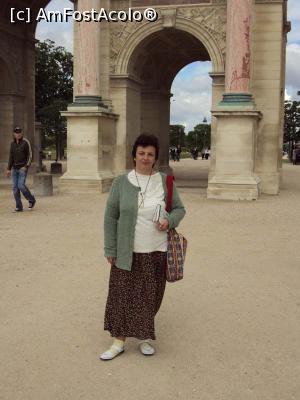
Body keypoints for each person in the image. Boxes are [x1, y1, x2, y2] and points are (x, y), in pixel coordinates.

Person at [100, 133, 186, 361]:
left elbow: (179, 209)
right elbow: (110, 217)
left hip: (157, 250)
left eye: (150, 154)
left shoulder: (164, 181)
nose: (145, 158)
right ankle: (118, 340)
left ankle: (144, 336)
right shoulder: (120, 182)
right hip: (127, 251)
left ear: (156, 157)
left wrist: (170, 221)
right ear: (134, 155)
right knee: (121, 296)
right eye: (141, 153)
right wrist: (110, 249)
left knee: (150, 296)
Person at [5, 126, 36, 212]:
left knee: (21, 186)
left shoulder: (26, 142)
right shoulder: (12, 143)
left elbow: (30, 155)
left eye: (19, 132)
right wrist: (8, 169)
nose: (17, 134)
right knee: (15, 188)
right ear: (13, 134)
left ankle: (32, 200)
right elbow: (11, 157)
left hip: (22, 168)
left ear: (21, 133)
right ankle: (19, 207)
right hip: (14, 169)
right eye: (16, 133)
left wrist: (26, 166)